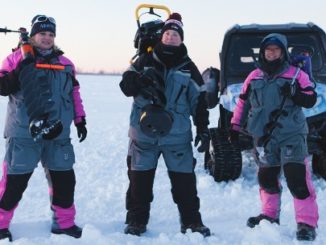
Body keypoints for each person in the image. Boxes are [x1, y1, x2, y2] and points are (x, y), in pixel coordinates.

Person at [119, 13, 211, 237]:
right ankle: (136, 221)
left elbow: (198, 102)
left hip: (177, 136)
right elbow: (125, 86)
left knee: (185, 185)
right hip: (143, 136)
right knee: (139, 183)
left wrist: (203, 128)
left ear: (182, 39)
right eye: (167, 34)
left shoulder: (189, 67)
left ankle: (191, 222)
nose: (171, 38)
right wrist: (139, 80)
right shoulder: (144, 60)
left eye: (175, 35)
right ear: (162, 37)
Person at [0, 15, 87, 241]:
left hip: (58, 134)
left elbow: (74, 93)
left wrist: (80, 119)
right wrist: (20, 69)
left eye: (50, 34)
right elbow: (1, 86)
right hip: (23, 134)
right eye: (42, 34)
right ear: (33, 35)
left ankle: (64, 224)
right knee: (14, 183)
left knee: (64, 181)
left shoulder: (66, 64)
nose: (47, 38)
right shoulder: (15, 58)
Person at [229, 33, 318, 241]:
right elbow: (243, 103)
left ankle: (306, 223)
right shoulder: (254, 77)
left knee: (297, 179)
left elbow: (311, 98)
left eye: (276, 49)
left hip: (292, 135)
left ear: (283, 52)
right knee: (267, 178)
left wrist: (297, 94)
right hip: (264, 138)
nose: (272, 53)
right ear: (262, 53)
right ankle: (269, 216)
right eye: (268, 49)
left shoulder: (297, 75)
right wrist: (234, 127)